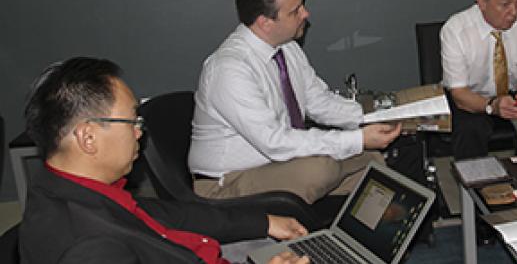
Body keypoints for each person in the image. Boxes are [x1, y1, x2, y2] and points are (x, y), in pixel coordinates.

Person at [19, 57, 309, 264]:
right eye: (131, 121)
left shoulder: (73, 188)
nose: (139, 132)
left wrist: (263, 222)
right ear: (88, 137)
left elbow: (173, 216)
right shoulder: (90, 247)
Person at [189, 0, 400, 204]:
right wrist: (357, 140)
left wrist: (371, 118)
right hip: (225, 183)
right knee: (321, 170)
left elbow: (319, 102)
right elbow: (275, 143)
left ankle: (357, 237)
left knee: (374, 162)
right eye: (295, 11)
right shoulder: (229, 69)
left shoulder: (287, 48)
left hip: (276, 165)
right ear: (265, 22)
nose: (306, 14)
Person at [440, 0, 517, 160]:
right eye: (505, 4)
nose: (514, 12)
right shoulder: (455, 29)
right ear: (482, 3)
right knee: (471, 129)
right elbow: (459, 94)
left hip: (511, 94)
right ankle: (475, 187)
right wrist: (493, 106)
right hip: (469, 97)